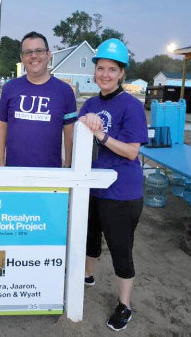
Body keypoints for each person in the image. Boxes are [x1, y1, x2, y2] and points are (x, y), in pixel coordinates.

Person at [79, 39, 148, 332]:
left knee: (120, 248)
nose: (105, 74)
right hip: (92, 186)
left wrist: (103, 136)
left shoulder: (131, 106)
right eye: (100, 68)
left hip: (122, 192)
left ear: (122, 73)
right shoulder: (91, 103)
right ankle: (87, 277)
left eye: (112, 69)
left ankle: (124, 305)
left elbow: (132, 151)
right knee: (90, 238)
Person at [0, 31, 77, 167]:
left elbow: (70, 131)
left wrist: (68, 165)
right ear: (21, 57)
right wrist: (1, 165)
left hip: (51, 175)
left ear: (48, 54)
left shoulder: (64, 91)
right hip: (14, 172)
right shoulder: (10, 88)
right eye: (28, 52)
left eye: (39, 50)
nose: (34, 56)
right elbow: (1, 126)